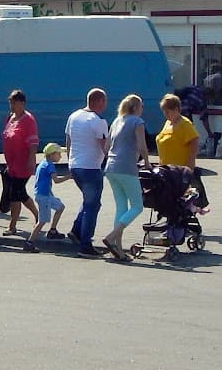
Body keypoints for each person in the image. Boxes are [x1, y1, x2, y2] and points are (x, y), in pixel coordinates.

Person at [100, 94, 151, 262]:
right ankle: (112, 237)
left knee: (121, 207)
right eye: (141, 106)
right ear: (135, 107)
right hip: (127, 167)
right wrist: (147, 163)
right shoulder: (137, 122)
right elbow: (142, 145)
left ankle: (119, 250)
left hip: (111, 167)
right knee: (137, 206)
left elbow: (106, 147)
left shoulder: (116, 121)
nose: (142, 109)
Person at [64, 88, 111, 258]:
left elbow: (68, 140)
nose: (106, 105)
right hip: (91, 167)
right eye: (104, 101)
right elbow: (104, 147)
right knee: (93, 205)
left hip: (75, 166)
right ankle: (86, 245)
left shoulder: (74, 116)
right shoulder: (98, 121)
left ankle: (76, 231)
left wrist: (70, 160)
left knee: (88, 201)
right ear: (99, 101)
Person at [0, 90, 40, 237]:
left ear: (22, 103)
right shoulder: (10, 118)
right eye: (10, 102)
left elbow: (33, 143)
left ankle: (13, 226)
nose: (11, 105)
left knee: (15, 194)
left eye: (14, 102)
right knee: (19, 193)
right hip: (11, 163)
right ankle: (38, 215)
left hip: (23, 163)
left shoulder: (28, 120)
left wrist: (31, 160)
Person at [27, 143, 68, 251]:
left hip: (44, 194)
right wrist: (69, 176)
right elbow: (56, 180)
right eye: (59, 154)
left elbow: (43, 182)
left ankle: (52, 231)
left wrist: (51, 195)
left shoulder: (43, 163)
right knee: (42, 221)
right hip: (43, 197)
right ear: (52, 154)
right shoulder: (50, 165)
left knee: (60, 207)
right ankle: (29, 242)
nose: (60, 156)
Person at [155, 92, 200, 170]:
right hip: (165, 169)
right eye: (164, 111)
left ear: (176, 109)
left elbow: (195, 141)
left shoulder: (185, 124)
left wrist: (190, 164)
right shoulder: (168, 123)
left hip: (178, 170)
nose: (165, 114)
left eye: (167, 111)